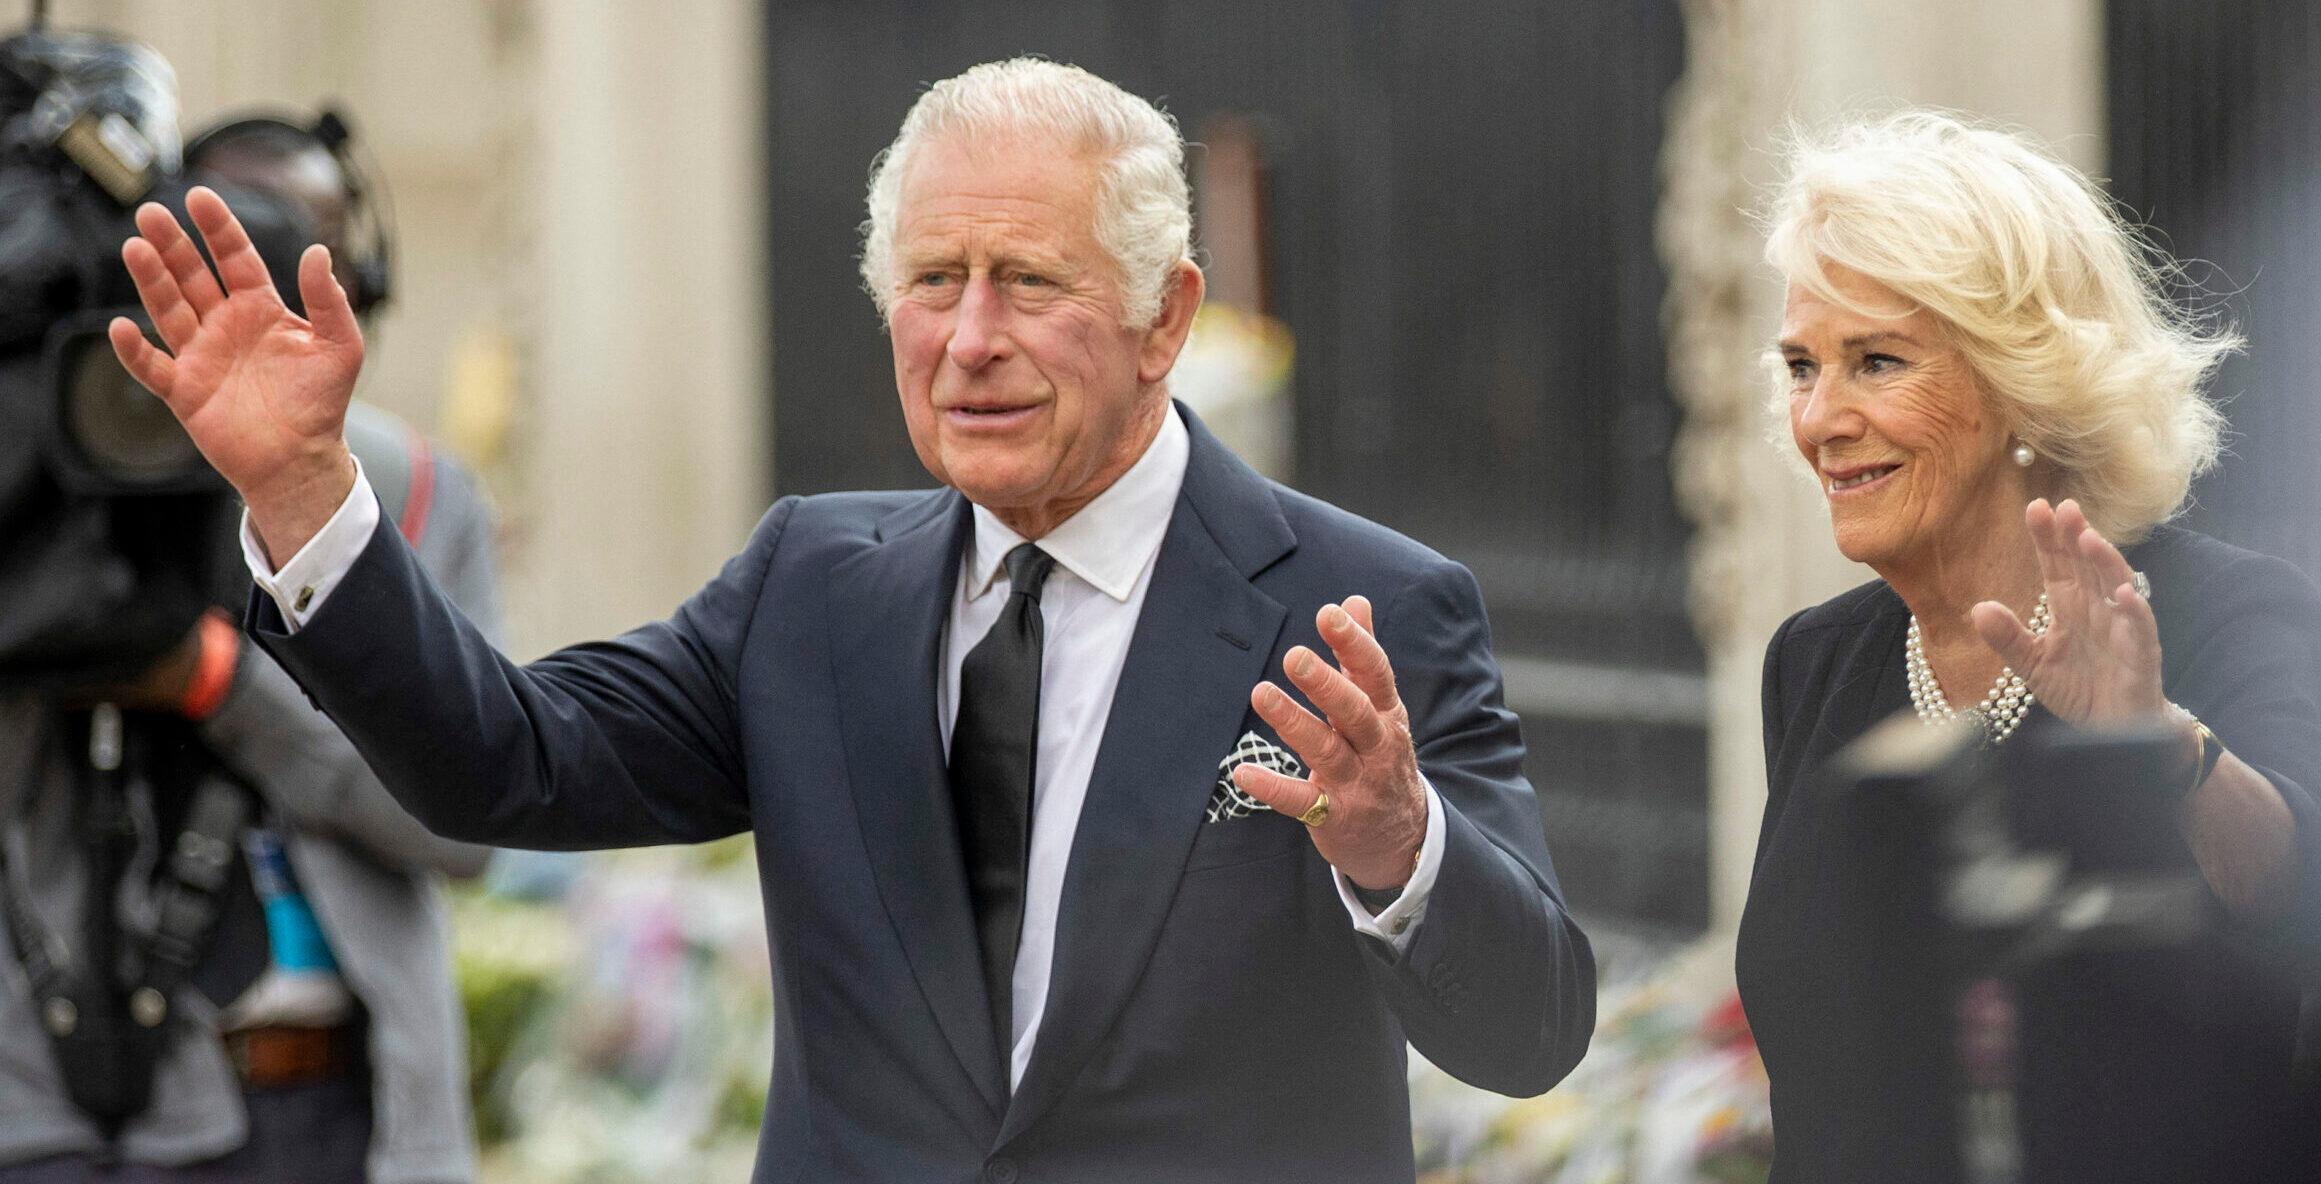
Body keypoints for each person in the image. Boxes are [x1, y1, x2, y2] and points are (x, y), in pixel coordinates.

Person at [108, 58, 1595, 1183]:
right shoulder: (812, 589)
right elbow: (509, 762)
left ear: (1165, 317)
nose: (969, 341)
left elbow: (1530, 1031)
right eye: (932, 282)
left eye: (1028, 282)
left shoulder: (1366, 612)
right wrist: (305, 489)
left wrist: (1398, 851)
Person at [1734, 112, 2321, 1181]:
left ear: (2017, 378)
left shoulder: (2217, 612)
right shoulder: (1815, 661)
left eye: (1876, 361)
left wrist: (2157, 740)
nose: (1819, 417)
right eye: (1802, 365)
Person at [2, 116, 498, 1184]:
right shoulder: (53, 498)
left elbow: (466, 821)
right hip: (101, 1102)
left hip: (355, 1098)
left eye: (311, 278)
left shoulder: (420, 492)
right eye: (223, 278)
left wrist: (219, 680)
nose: (273, 323)